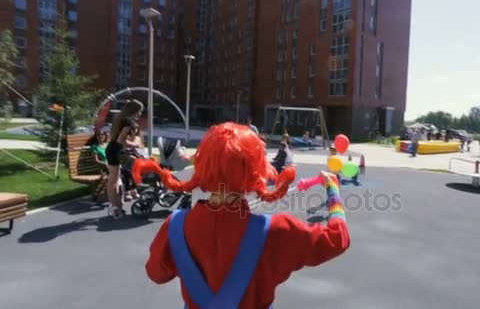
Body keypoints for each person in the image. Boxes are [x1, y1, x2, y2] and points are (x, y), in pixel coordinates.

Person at [133, 122, 350, 308]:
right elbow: (337, 238)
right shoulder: (277, 231)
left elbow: (156, 273)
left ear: (203, 165)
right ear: (255, 171)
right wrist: (333, 191)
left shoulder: (176, 226)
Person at [105, 99, 144, 219]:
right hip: (115, 151)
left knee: (114, 180)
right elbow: (121, 140)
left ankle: (116, 206)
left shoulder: (119, 117)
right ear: (135, 110)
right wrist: (134, 145)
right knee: (113, 181)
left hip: (112, 149)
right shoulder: (129, 122)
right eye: (140, 111)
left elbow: (115, 137)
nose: (140, 114)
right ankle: (115, 208)